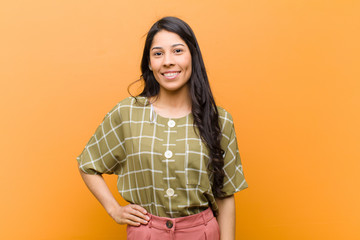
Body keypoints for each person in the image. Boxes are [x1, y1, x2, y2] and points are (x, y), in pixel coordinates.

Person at [77, 16, 248, 240]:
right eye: (158, 53)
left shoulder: (219, 120)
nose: (168, 61)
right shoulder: (127, 113)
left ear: (193, 57)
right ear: (149, 63)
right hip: (146, 233)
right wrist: (114, 210)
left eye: (178, 51)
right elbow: (88, 164)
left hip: (201, 233)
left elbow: (225, 196)